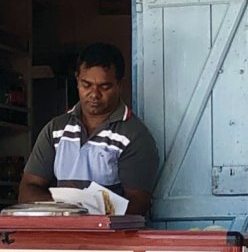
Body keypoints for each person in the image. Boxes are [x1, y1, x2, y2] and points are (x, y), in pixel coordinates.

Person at [18, 42, 159, 216]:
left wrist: (83, 212)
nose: (94, 94)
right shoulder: (56, 130)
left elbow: (137, 206)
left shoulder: (134, 136)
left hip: (110, 239)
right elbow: (27, 190)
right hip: (62, 236)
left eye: (104, 87)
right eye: (86, 85)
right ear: (77, 80)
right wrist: (68, 209)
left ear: (119, 85)